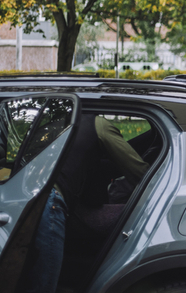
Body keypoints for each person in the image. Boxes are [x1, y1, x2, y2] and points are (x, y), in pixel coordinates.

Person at [22, 115, 151, 293]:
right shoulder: (98, 123)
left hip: (27, 199)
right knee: (44, 285)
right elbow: (140, 173)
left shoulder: (53, 125)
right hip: (50, 201)